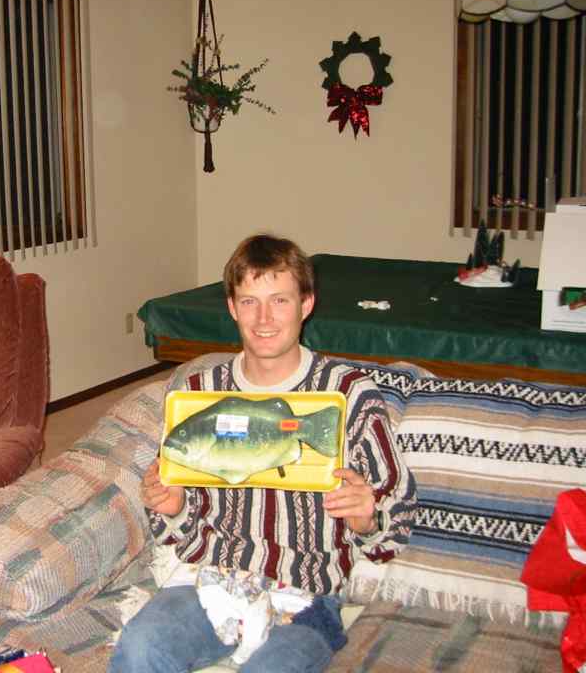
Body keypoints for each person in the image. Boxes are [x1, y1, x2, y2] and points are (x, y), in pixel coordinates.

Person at [110, 234, 417, 673]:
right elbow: (173, 527)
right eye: (249, 302)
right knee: (141, 647)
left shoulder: (349, 394)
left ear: (306, 304)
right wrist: (173, 507)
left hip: (308, 597)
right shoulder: (198, 394)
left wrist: (368, 518)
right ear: (232, 307)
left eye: (280, 300)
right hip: (210, 581)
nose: (264, 318)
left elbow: (397, 520)